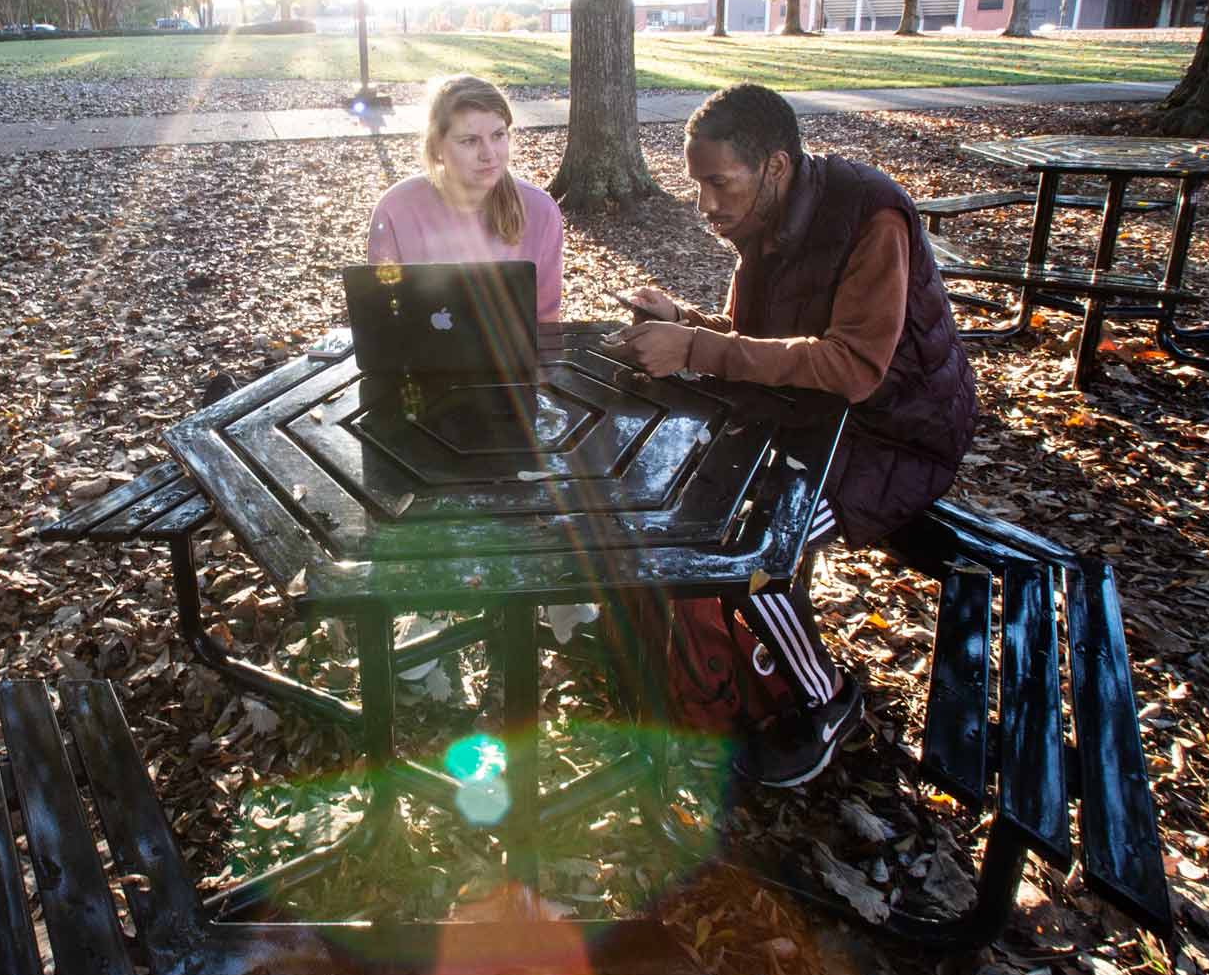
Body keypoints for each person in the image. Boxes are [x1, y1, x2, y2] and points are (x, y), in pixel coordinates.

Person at [608, 82, 978, 788]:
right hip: (815, 418)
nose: (707, 205)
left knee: (747, 548)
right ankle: (721, 669)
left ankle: (826, 699)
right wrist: (683, 321)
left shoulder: (871, 218)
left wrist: (692, 346)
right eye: (697, 186)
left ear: (774, 167)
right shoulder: (768, 219)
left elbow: (853, 366)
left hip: (896, 436)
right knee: (692, 511)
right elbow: (763, 345)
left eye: (719, 183)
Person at [368, 75, 564, 322]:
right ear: (437, 147)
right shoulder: (395, 209)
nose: (489, 154)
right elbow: (381, 317)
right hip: (412, 359)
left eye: (498, 135)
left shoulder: (541, 210)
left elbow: (546, 322)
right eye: (470, 141)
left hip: (514, 361)